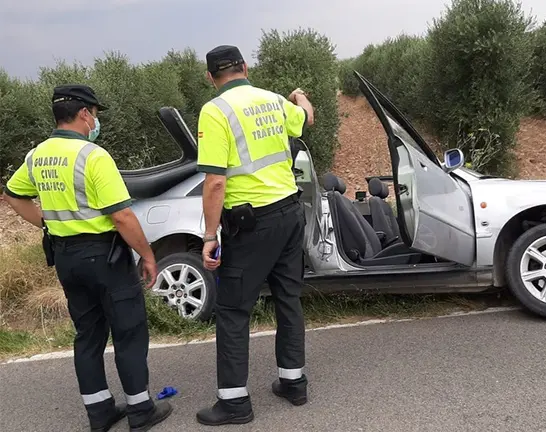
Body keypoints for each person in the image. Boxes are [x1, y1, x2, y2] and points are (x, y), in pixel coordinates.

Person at [2, 84, 173, 432]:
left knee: (88, 334)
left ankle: (99, 412)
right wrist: (147, 254)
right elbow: (122, 216)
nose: (96, 121)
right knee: (128, 330)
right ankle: (141, 411)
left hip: (66, 258)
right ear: (84, 114)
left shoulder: (37, 156)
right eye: (95, 114)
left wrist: (48, 225)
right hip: (104, 257)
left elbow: (13, 195)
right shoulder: (93, 156)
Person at [194, 45, 315, 426]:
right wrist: (301, 97)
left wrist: (209, 235)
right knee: (288, 298)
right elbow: (307, 118)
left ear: (211, 77)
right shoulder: (275, 101)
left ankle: (234, 403)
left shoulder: (215, 111)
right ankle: (293, 383)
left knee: (232, 310)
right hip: (289, 214)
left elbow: (215, 182)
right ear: (246, 68)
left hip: (251, 225)